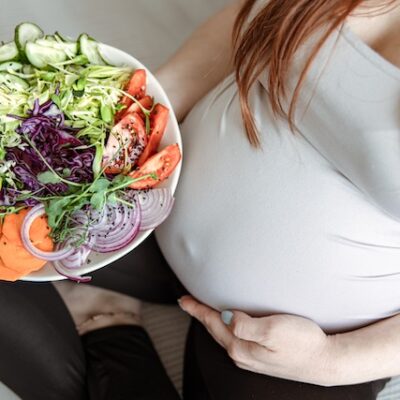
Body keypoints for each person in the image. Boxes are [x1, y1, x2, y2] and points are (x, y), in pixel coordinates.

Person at [1, 0, 400, 398]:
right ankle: (108, 326)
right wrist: (143, 110)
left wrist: (334, 359)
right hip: (145, 210)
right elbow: (253, 19)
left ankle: (106, 327)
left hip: (306, 335)